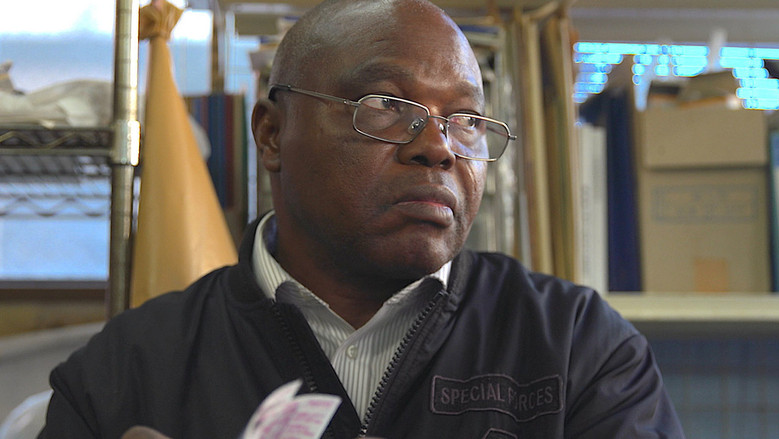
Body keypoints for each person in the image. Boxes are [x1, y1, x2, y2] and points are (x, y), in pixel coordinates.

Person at [39, 0, 686, 438]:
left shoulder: (577, 348)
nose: (438, 147)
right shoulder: (127, 372)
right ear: (271, 135)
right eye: (386, 104)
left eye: (465, 119)